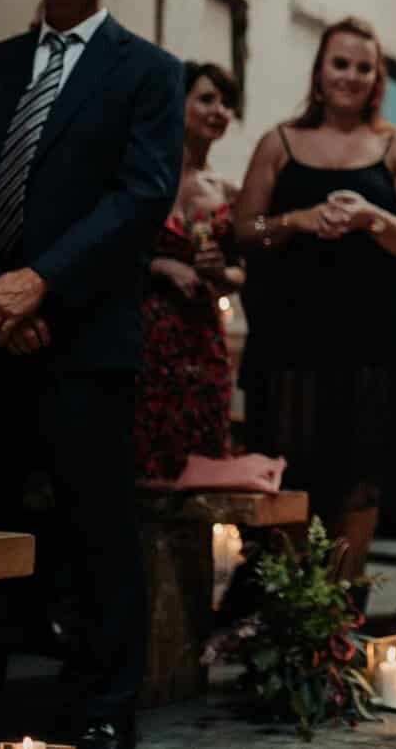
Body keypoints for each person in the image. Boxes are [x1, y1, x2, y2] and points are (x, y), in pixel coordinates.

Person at [0, 0, 183, 749]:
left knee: (95, 532)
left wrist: (40, 285)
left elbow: (141, 196)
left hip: (84, 336)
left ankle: (105, 707)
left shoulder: (146, 71)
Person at [233, 17, 396, 581]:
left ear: (377, 79)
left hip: (371, 338)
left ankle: (340, 618)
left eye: (363, 67)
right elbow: (244, 231)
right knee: (289, 473)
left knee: (360, 479)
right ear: (319, 72)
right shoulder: (279, 142)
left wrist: (374, 219)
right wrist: (296, 219)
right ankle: (293, 614)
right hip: (291, 339)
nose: (350, 75)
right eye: (339, 63)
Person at [134, 62, 245, 480]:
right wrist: (160, 266)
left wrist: (221, 273)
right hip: (146, 327)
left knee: (201, 453)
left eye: (227, 103)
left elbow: (242, 274)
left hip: (202, 334)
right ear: (177, 102)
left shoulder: (227, 191)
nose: (219, 110)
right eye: (206, 99)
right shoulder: (145, 175)